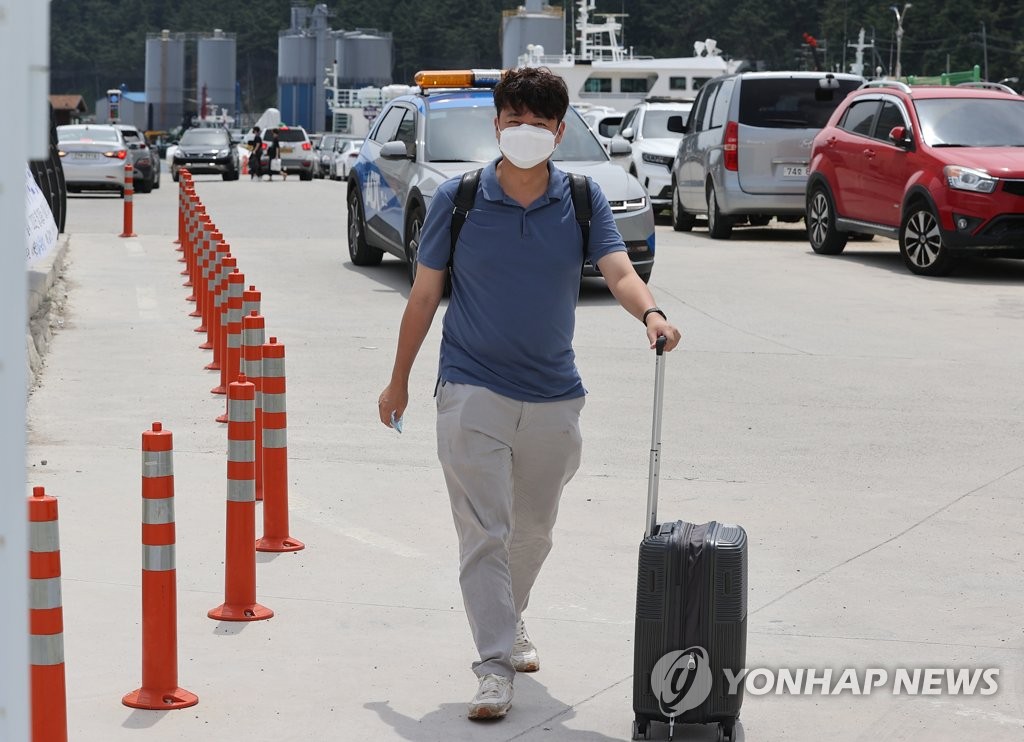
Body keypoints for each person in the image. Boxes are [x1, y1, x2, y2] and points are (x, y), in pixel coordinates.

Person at [376, 66, 680, 721]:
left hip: (553, 394)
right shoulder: (457, 199)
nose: (525, 132)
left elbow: (619, 270)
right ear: (496, 125)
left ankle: (509, 617)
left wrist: (651, 314)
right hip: (470, 388)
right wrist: (399, 379)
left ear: (559, 132)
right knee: (485, 533)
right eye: (514, 120)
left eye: (539, 123)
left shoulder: (582, 199)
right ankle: (493, 668)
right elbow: (423, 295)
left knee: (532, 532)